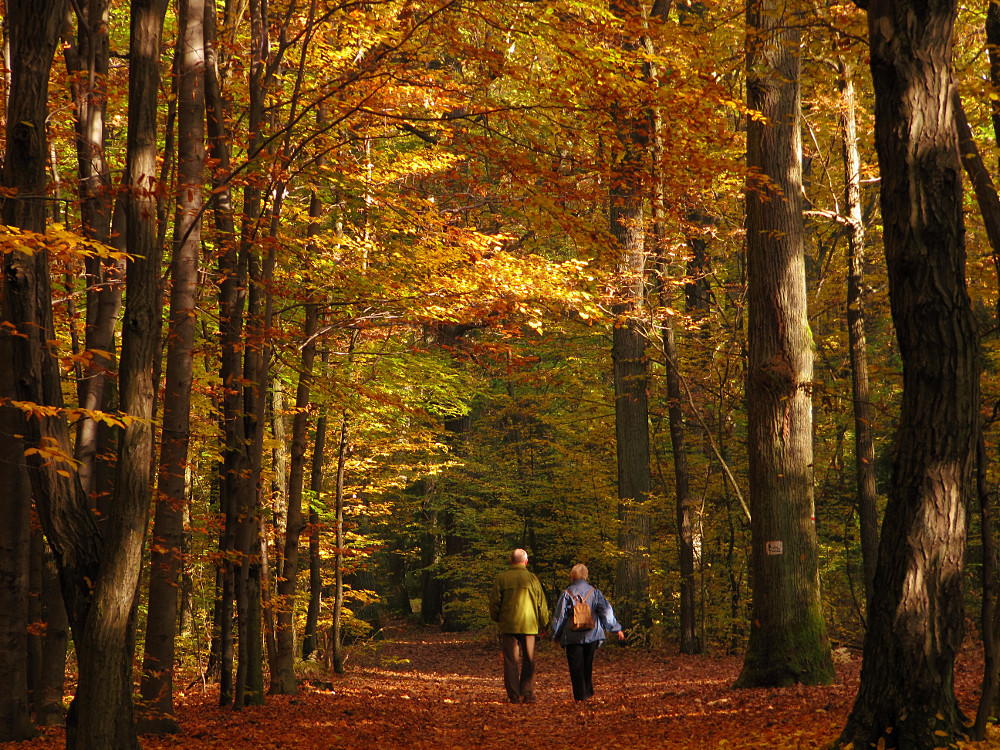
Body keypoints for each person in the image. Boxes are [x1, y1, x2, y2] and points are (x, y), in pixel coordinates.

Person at [551, 563, 625, 701]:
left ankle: (580, 696)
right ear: (586, 576)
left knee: (575, 667)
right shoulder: (595, 592)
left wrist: (556, 634)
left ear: (572, 577)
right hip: (592, 635)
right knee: (587, 663)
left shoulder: (566, 594)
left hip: (572, 636)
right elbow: (606, 611)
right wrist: (616, 629)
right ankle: (588, 693)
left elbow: (560, 616)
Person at [488, 548, 550, 704]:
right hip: (529, 626)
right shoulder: (532, 579)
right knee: (529, 659)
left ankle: (514, 695)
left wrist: (497, 618)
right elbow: (541, 603)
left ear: (511, 561)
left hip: (508, 626)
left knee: (511, 660)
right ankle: (527, 692)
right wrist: (545, 624)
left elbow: (495, 603)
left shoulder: (501, 578)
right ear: (526, 562)